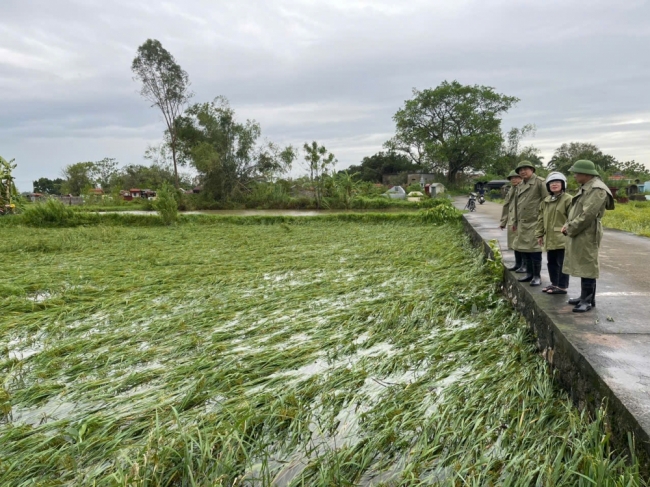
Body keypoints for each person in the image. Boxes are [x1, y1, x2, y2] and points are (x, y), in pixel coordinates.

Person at [561, 160, 615, 313]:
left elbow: (588, 215)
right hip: (582, 230)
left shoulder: (597, 189)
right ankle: (585, 297)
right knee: (582, 262)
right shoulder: (588, 187)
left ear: (586, 173)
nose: (575, 175)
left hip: (588, 230)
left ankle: (587, 300)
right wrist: (568, 224)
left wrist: (570, 227)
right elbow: (577, 209)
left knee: (588, 263)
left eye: (577, 172)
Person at [513, 161, 549, 286]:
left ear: (532, 170)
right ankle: (529, 274)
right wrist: (514, 221)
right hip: (523, 222)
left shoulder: (540, 182)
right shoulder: (520, 185)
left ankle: (537, 276)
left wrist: (545, 220)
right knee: (524, 249)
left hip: (535, 221)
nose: (523, 171)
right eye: (520, 170)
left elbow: (547, 201)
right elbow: (516, 205)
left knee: (534, 250)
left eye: (526, 169)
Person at [535, 172, 572, 294]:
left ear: (563, 184)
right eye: (551, 183)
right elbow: (541, 218)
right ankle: (554, 283)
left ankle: (562, 286)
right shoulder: (546, 200)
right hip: (550, 237)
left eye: (557, 182)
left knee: (561, 262)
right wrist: (539, 234)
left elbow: (571, 218)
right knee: (551, 262)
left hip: (562, 236)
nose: (554, 184)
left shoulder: (568, 199)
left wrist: (567, 229)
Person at [500, 170, 524, 271]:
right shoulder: (511, 190)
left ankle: (524, 265)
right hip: (512, 220)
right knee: (514, 244)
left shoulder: (523, 188)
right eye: (512, 178)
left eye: (516, 177)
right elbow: (506, 206)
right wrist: (503, 222)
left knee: (523, 244)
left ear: (521, 178)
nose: (514, 179)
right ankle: (518, 264)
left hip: (522, 220)